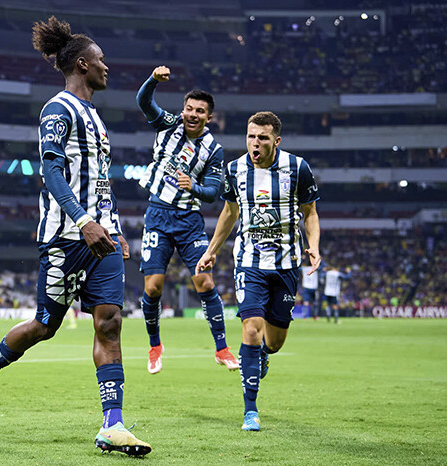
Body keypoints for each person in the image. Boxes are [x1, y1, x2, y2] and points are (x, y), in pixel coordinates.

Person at [0, 16, 151, 457]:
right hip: (67, 237)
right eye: (102, 61)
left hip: (102, 239)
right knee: (45, 326)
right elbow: (50, 171)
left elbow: (102, 182)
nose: (108, 67)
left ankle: (113, 424)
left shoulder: (97, 119)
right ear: (83, 64)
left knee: (109, 323)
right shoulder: (58, 109)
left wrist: (115, 228)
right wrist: (83, 220)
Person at [196, 111, 321, 432]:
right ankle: (250, 410)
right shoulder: (235, 169)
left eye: (263, 138)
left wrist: (314, 245)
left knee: (275, 342)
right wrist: (211, 251)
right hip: (249, 263)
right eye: (251, 136)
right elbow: (229, 212)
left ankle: (264, 354)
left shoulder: (297, 168)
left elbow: (310, 213)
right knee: (251, 328)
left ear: (276, 141)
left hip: (286, 266)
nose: (255, 143)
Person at [136, 65, 238, 374]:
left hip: (189, 220)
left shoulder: (213, 151)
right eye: (189, 108)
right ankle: (155, 345)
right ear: (183, 110)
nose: (193, 114)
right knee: (153, 287)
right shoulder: (168, 125)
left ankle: (221, 348)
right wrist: (153, 80)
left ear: (209, 117)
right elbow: (144, 102)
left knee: (203, 281)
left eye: (200, 111)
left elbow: (212, 193)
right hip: (157, 214)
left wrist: (192, 186)